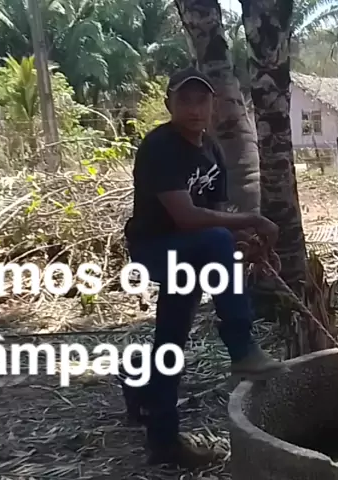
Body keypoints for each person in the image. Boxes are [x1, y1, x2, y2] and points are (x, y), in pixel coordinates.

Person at [123, 65, 288, 468]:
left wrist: (246, 245)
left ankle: (159, 432)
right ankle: (241, 345)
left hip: (192, 251)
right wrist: (251, 220)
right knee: (215, 240)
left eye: (202, 100)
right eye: (185, 100)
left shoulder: (210, 149)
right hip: (156, 249)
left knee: (171, 339)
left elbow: (215, 216)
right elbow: (187, 217)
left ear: (213, 105)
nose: (194, 109)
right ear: (169, 104)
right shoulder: (160, 146)